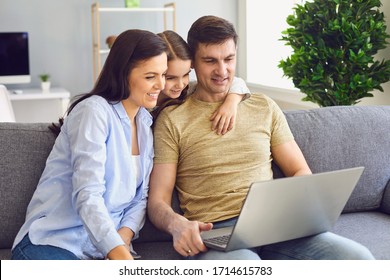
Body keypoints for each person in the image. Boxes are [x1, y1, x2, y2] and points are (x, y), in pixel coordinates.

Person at [147, 16, 375, 260]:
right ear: (193, 62)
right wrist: (176, 224)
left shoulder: (263, 106)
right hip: (216, 232)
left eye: (229, 59)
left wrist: (300, 212)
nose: (222, 71)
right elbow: (158, 201)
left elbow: (300, 171)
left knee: (359, 258)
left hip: (277, 227)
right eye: (210, 60)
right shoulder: (172, 119)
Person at [11, 29, 168, 260]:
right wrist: (119, 255)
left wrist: (121, 243)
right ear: (123, 73)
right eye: (150, 76)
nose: (161, 85)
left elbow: (139, 198)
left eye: (163, 74)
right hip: (55, 243)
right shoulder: (94, 112)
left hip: (100, 251)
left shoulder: (145, 123)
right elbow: (88, 194)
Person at [154, 30, 250, 135]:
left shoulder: (189, 89)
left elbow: (237, 82)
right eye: (170, 78)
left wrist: (230, 104)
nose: (181, 84)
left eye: (186, 74)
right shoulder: (145, 103)